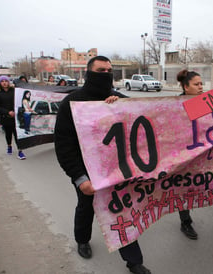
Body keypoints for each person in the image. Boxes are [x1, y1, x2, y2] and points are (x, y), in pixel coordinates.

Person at [54, 56, 151, 274]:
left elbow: (145, 117)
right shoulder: (72, 103)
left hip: (116, 171)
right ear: (89, 73)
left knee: (120, 212)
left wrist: (122, 107)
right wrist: (80, 178)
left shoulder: (118, 99)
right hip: (86, 171)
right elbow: (63, 144)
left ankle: (133, 261)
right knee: (86, 206)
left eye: (109, 70)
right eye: (101, 70)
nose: (106, 74)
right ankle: (82, 239)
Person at [176, 69, 203, 240]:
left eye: (201, 84)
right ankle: (185, 221)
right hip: (180, 154)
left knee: (193, 187)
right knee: (181, 188)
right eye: (196, 84)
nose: (201, 87)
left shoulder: (208, 102)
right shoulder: (175, 105)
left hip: (201, 153)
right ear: (186, 87)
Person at [0, 76, 26, 160]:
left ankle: (20, 151)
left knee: (17, 134)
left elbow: (19, 101)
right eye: (2, 81)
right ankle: (9, 146)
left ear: (8, 82)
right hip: (5, 117)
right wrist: (7, 112)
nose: (4, 83)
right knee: (8, 133)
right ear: (0, 83)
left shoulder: (14, 91)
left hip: (15, 116)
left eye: (6, 81)